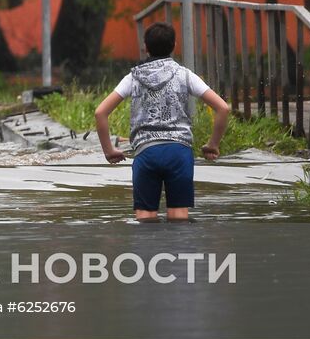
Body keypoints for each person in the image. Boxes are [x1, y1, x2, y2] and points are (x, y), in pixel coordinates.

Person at [94, 23, 229, 221]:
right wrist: (212, 144)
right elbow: (223, 108)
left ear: (145, 48)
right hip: (179, 153)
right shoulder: (185, 75)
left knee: (145, 216)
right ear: (174, 45)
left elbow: (100, 112)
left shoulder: (133, 77)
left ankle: (151, 251)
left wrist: (109, 150)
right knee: (179, 216)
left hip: (146, 152)